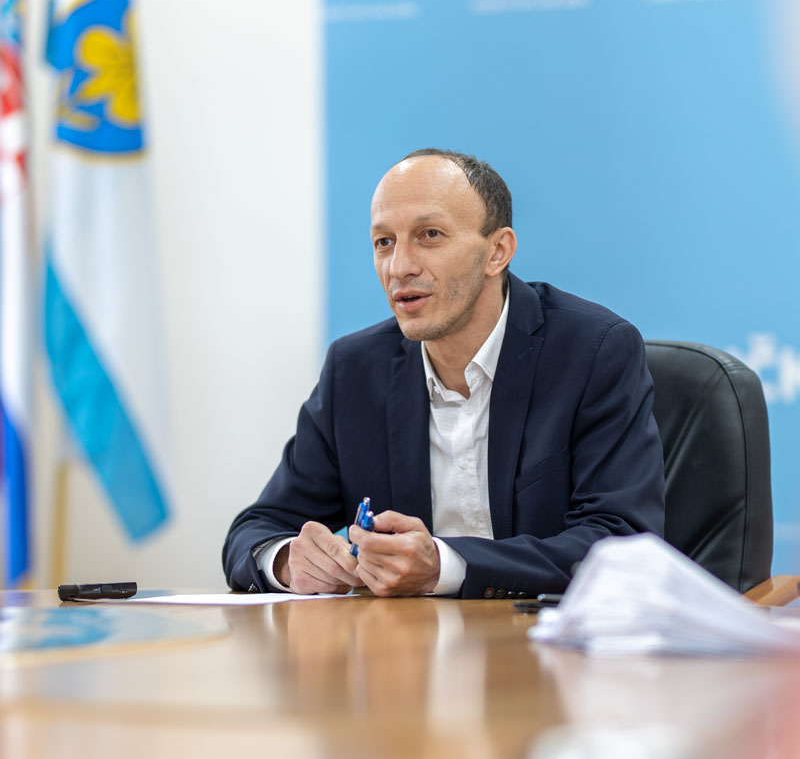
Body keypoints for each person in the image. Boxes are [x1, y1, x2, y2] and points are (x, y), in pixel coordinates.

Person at [223, 149, 664, 598]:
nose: (399, 267)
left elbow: (620, 543)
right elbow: (256, 529)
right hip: (411, 640)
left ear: (497, 252)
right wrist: (287, 560)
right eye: (384, 242)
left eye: (429, 235)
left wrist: (445, 565)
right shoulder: (354, 370)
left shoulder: (592, 351)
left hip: (549, 636)